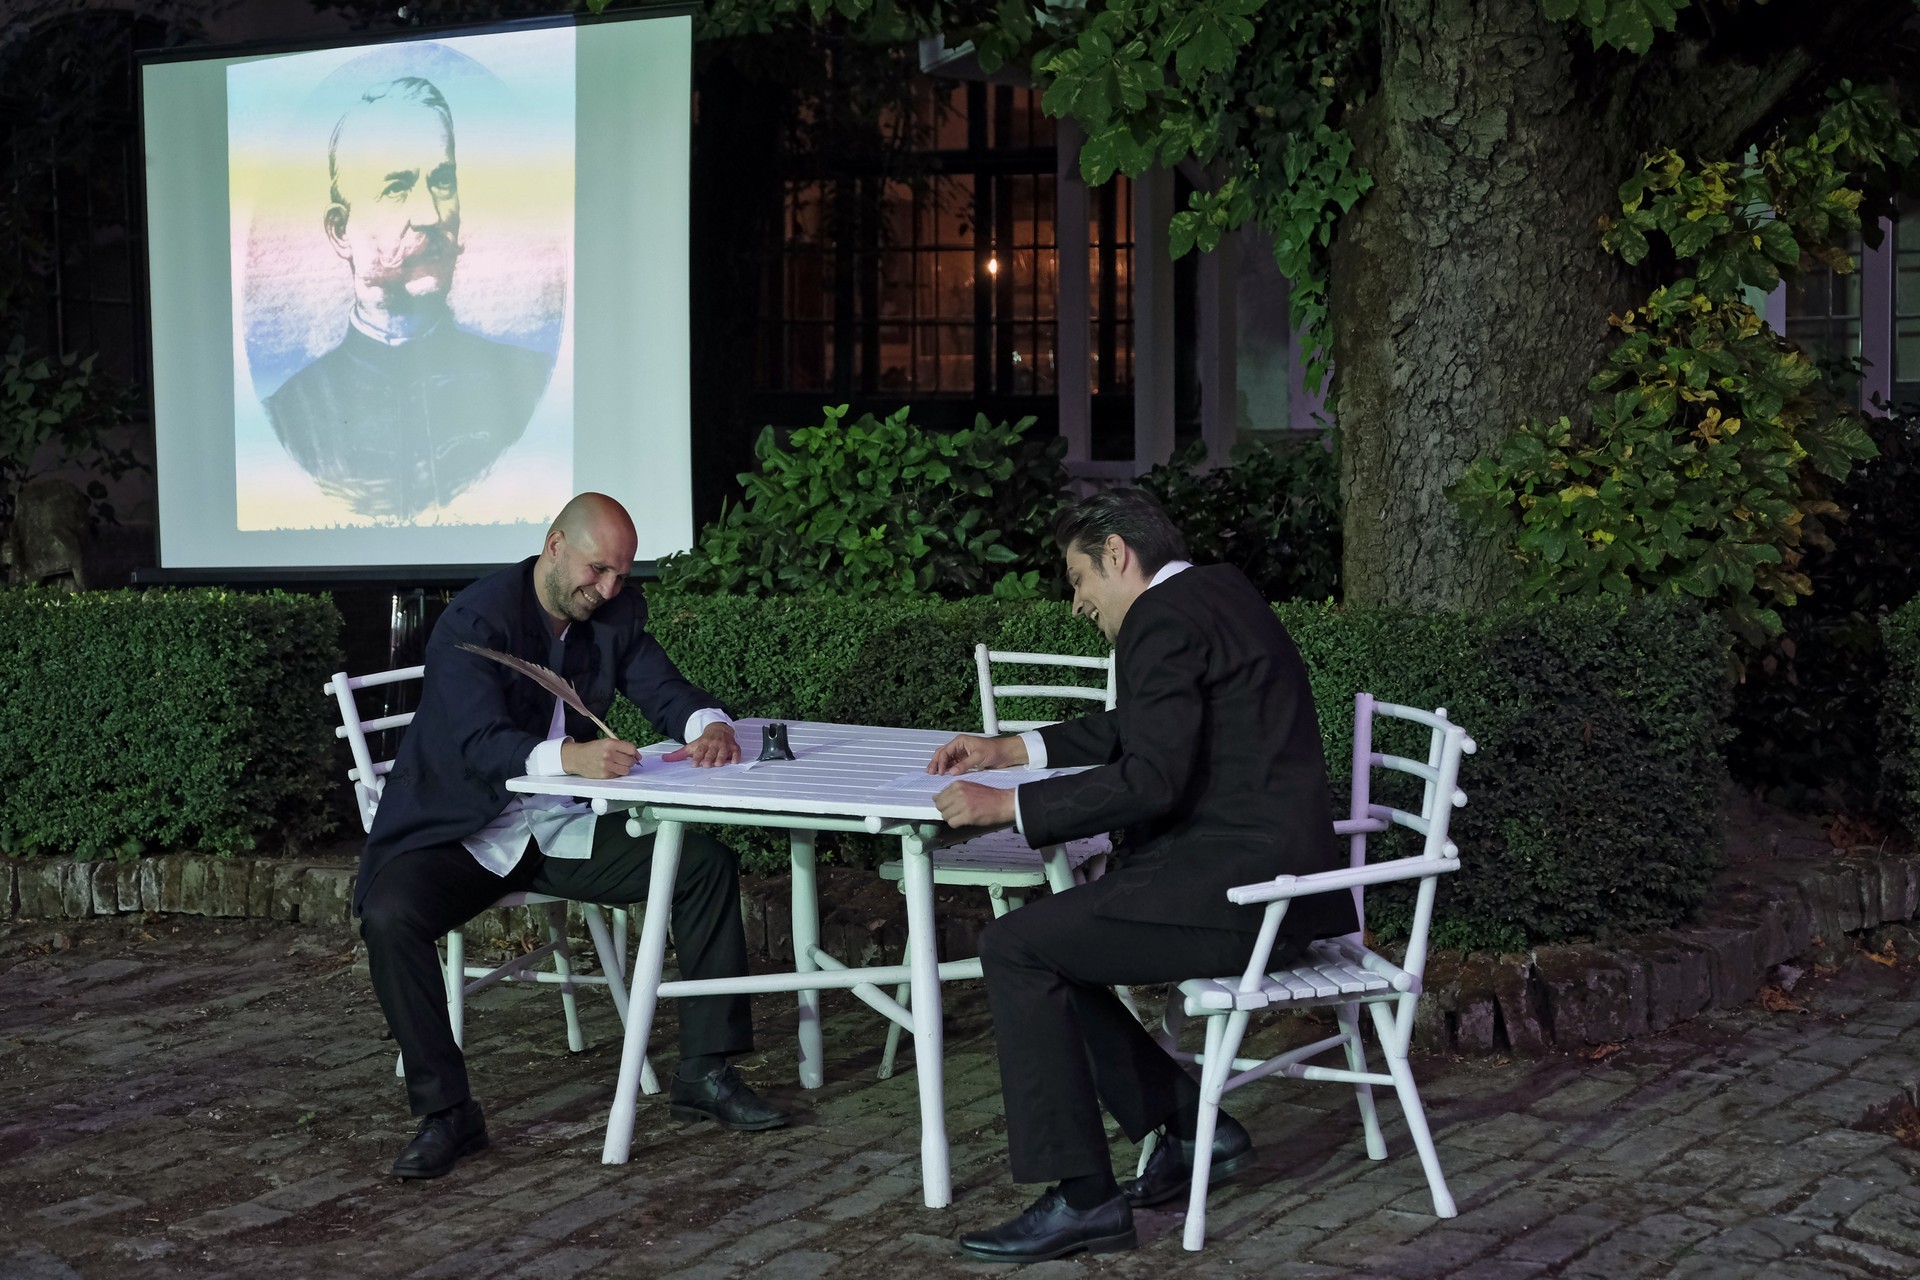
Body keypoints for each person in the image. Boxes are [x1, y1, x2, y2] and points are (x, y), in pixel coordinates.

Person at [927, 487, 1358, 1262]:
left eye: (1078, 579)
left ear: (1117, 554)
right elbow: (1148, 725)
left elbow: (1152, 776)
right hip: (1281, 886)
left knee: (1016, 947)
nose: (1077, 603)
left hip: (1240, 895)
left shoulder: (1159, 620)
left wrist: (1009, 806)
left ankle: (1084, 1199)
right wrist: (1012, 749)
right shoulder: (1220, 591)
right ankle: (1193, 1129)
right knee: (1048, 946)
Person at [356, 492, 788, 1181]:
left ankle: (705, 1074)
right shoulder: (475, 619)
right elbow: (478, 741)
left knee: (703, 864)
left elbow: (662, 687)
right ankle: (448, 1113)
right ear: (555, 545)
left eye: (621, 574)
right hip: (464, 829)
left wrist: (708, 723)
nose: (609, 588)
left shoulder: (614, 612)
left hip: (562, 827)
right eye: (598, 570)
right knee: (389, 913)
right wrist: (569, 758)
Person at [264, 76, 552, 520]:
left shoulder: (534, 386)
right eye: (397, 187)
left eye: (442, 181)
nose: (431, 215)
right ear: (340, 230)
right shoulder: (288, 419)